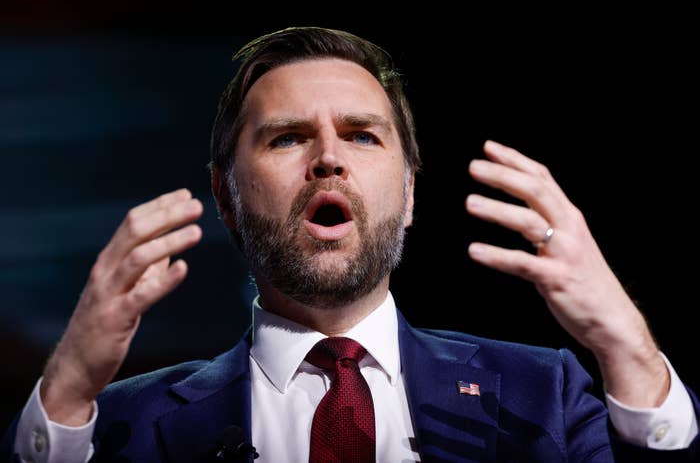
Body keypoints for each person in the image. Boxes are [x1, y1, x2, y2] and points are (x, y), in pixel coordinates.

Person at [2, 26, 699, 462]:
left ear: (411, 192)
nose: (329, 159)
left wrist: (629, 350)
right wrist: (65, 391)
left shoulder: (546, 395)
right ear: (226, 196)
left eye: (362, 135)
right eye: (288, 138)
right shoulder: (121, 426)